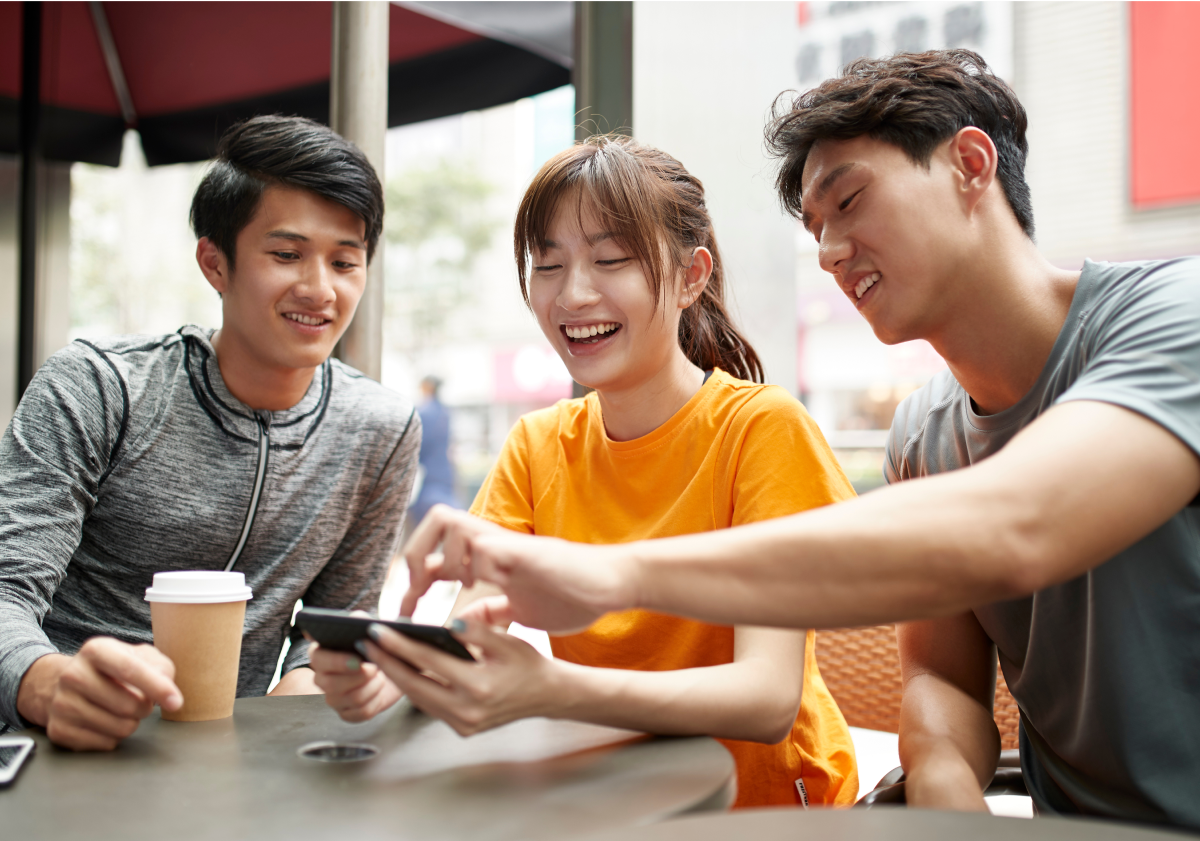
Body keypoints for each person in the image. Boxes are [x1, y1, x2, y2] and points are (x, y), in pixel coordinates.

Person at [395, 51, 1200, 830]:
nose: (827, 252)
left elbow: (1016, 527)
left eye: (848, 203)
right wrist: (950, 792)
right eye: (814, 226)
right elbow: (940, 680)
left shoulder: (1175, 314)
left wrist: (601, 576)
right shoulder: (924, 428)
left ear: (970, 164)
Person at [312, 136, 860, 809]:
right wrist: (397, 675)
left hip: (762, 813)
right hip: (616, 804)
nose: (573, 294)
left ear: (692, 276)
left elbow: (766, 698)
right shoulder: (539, 443)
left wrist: (552, 687)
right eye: (547, 264)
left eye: (609, 260)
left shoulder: (762, 429)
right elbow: (472, 631)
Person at [0, 115, 421, 750]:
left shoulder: (380, 431)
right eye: (286, 254)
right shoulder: (98, 387)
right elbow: (6, 589)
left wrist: (305, 686)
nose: (319, 289)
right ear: (214, 262)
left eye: (345, 261)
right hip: (54, 750)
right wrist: (45, 682)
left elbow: (333, 628)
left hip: (236, 769)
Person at [408, 376, 461, 525]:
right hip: (444, 474)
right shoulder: (445, 413)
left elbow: (418, 448)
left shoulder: (423, 413)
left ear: (427, 387)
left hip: (427, 478)